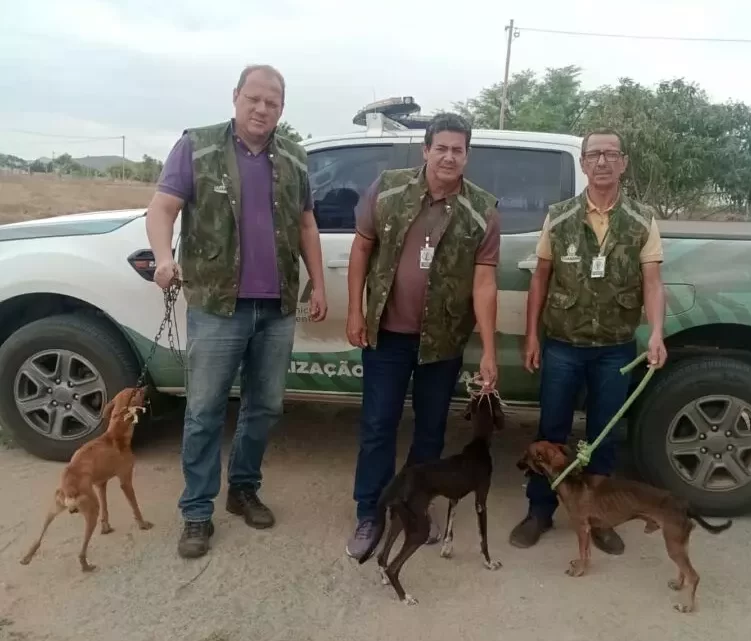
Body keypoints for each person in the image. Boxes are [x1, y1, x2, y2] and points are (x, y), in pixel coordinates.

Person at [145, 64, 327, 559]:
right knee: (204, 411)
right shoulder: (197, 146)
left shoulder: (294, 156)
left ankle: (243, 488)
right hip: (217, 306)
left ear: (282, 109)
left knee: (264, 407)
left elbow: (307, 225)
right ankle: (196, 512)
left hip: (276, 307)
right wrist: (164, 258)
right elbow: (162, 208)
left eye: (272, 102)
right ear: (235, 97)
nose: (261, 109)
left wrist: (318, 283)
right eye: (253, 99)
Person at [343, 113, 501, 559]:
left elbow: (484, 283)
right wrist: (355, 310)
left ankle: (413, 509)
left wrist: (489, 351)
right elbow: (361, 248)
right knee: (377, 427)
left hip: (442, 341)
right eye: (442, 147)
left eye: (459, 149)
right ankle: (370, 512)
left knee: (430, 433)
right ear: (426, 150)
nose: (449, 156)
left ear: (468, 155)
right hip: (387, 336)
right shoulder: (388, 189)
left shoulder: (482, 210)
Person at [508, 128, 668, 553]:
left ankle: (598, 517)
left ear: (623, 162)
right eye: (593, 154)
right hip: (562, 344)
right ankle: (539, 511)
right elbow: (540, 276)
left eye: (610, 154)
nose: (601, 162)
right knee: (551, 432)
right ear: (582, 163)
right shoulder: (559, 216)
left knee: (604, 434)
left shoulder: (641, 220)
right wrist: (531, 336)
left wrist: (655, 333)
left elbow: (652, 281)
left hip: (615, 347)